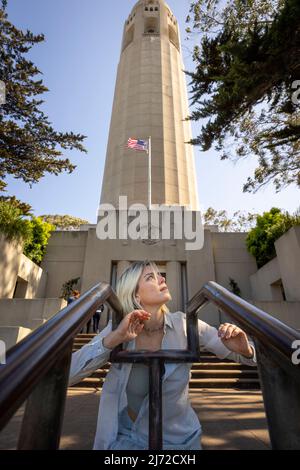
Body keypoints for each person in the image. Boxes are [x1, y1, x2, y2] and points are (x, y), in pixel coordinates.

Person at [69, 260, 257, 450]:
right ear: (135, 294)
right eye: (150, 277)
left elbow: (249, 358)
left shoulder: (185, 325)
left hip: (179, 443)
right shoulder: (119, 327)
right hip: (124, 438)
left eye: (159, 274)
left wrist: (244, 349)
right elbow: (69, 374)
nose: (161, 279)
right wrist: (113, 339)